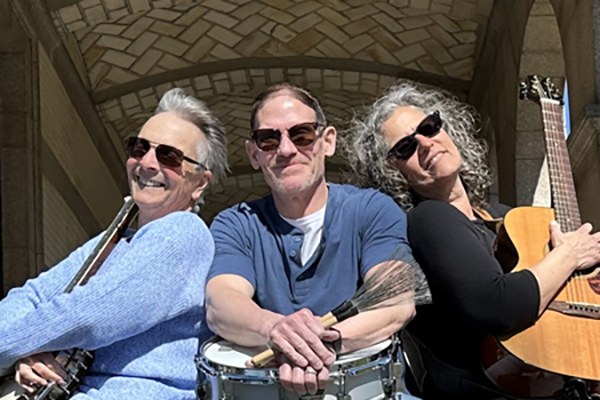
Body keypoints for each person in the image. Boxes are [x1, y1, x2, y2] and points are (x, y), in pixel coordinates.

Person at [342, 81, 600, 399]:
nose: (425, 144)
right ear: (390, 172)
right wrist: (569, 255)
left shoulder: (503, 218)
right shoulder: (427, 219)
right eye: (405, 147)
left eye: (429, 127)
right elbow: (496, 306)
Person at [0, 88, 228, 400]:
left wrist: (21, 345)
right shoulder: (114, 241)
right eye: (139, 147)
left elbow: (89, 315)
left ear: (199, 183)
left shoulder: (184, 233)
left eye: (169, 156)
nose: (147, 163)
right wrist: (26, 354)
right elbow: (34, 295)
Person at [205, 83, 422, 397]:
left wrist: (315, 347)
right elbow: (221, 304)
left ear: (327, 141)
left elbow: (396, 301)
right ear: (254, 154)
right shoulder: (236, 223)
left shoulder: (372, 209)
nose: (286, 149)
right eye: (269, 139)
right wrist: (275, 329)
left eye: (302, 134)